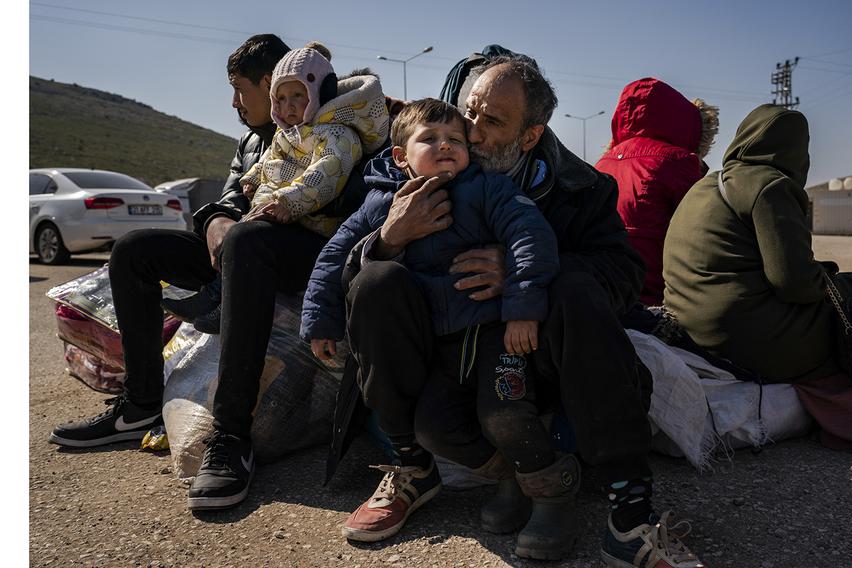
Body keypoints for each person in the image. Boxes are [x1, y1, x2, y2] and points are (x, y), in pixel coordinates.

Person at [333, 55, 705, 567]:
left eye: (493, 122)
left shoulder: (580, 188)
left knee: (573, 284)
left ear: (529, 136)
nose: (471, 132)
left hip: (532, 350)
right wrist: (391, 238)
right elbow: (341, 267)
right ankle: (424, 470)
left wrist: (527, 270)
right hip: (444, 351)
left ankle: (629, 513)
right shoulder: (404, 172)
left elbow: (622, 275)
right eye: (469, 112)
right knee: (376, 280)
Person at [47, 34, 388, 513]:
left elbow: (342, 198)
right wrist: (215, 220)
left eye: (239, 89)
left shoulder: (336, 127)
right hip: (243, 243)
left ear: (272, 83)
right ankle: (140, 402)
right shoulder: (254, 140)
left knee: (246, 242)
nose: (233, 102)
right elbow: (231, 195)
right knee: (135, 250)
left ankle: (230, 436)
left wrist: (256, 219)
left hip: (308, 251)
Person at [302, 97, 561, 552]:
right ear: (401, 157)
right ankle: (505, 475)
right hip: (431, 346)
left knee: (505, 410)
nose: (446, 146)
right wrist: (320, 319)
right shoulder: (381, 202)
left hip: (488, 334)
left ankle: (553, 491)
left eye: (456, 140)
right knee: (436, 427)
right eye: (431, 139)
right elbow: (333, 257)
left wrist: (522, 306)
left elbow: (530, 236)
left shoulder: (486, 188)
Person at [161, 46, 388, 332]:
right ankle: (214, 298)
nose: (288, 105)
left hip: (311, 225)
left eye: (297, 95)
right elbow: (272, 159)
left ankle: (223, 307)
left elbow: (326, 175)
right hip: (276, 214)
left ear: (319, 93)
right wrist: (253, 177)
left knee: (245, 239)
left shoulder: (337, 134)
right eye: (280, 98)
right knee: (238, 239)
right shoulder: (287, 134)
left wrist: (288, 201)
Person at [663, 103, 852, 382]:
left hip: (691, 332)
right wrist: (839, 281)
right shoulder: (771, 186)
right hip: (742, 341)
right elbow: (795, 283)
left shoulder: (705, 185)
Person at [594, 77, 718, 306]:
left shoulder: (602, 163)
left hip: (604, 289)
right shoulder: (679, 162)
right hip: (653, 295)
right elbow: (703, 233)